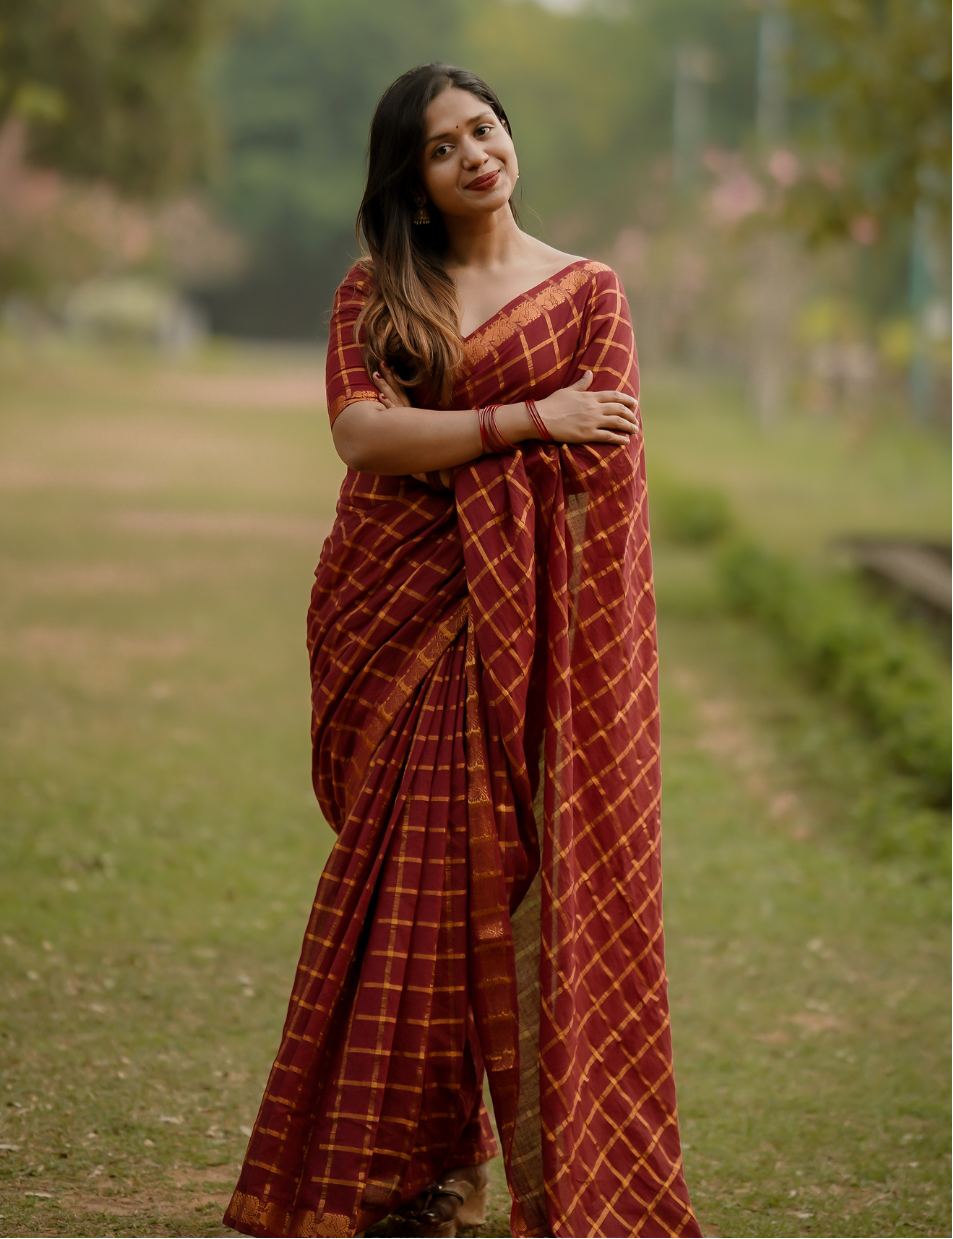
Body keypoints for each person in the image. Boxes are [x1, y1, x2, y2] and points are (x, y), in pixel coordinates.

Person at [224, 63, 701, 1239]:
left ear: (508, 139)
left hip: (538, 643)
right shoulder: (376, 292)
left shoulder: (588, 292)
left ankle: (525, 1174)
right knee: (406, 893)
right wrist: (525, 420)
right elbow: (361, 434)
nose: (473, 155)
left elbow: (610, 467)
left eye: (482, 130)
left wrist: (466, 447)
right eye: (441, 148)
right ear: (414, 181)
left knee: (509, 892)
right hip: (398, 621)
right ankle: (394, 1173)